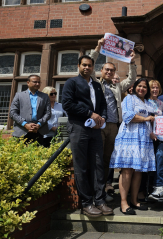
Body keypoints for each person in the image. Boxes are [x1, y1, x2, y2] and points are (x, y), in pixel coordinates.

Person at [62, 55, 113, 218]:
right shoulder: (72, 83)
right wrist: (90, 113)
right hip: (78, 127)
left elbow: (103, 105)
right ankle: (86, 203)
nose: (87, 68)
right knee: (81, 166)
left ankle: (99, 200)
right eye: (84, 65)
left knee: (98, 164)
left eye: (90, 65)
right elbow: (67, 105)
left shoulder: (97, 85)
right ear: (78, 66)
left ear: (93, 68)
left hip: (95, 129)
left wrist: (102, 117)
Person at [90, 38, 137, 197]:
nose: (109, 72)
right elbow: (89, 68)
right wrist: (97, 48)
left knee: (107, 158)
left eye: (112, 70)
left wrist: (132, 62)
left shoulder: (117, 85)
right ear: (102, 71)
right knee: (97, 157)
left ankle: (103, 189)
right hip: (99, 125)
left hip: (114, 126)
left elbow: (131, 80)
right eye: (107, 70)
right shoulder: (96, 83)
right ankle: (95, 190)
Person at [109, 78, 156, 215]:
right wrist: (145, 119)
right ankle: (124, 202)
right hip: (129, 136)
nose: (142, 89)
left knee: (138, 171)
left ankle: (134, 200)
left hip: (143, 138)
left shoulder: (148, 102)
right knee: (127, 170)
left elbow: (152, 121)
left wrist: (152, 132)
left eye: (144, 87)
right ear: (134, 87)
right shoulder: (129, 98)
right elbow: (127, 116)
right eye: (139, 86)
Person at [9, 75, 51, 145]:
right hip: (21, 131)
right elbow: (12, 113)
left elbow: (48, 113)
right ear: (28, 82)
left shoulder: (45, 96)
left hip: (39, 131)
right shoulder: (19, 95)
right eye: (35, 82)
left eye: (39, 82)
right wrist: (25, 124)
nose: (37, 84)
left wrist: (39, 124)